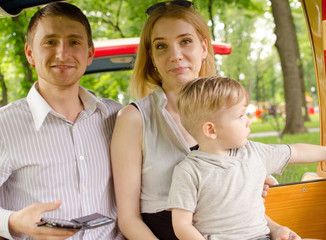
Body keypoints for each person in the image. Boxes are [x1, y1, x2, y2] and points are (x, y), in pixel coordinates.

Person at [110, 1, 300, 240]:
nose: (175, 55)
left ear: (203, 47)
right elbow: (128, 219)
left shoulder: (230, 114)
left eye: (185, 41)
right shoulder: (134, 118)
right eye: (161, 46)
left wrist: (274, 228)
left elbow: (237, 206)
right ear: (152, 57)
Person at [0, 2, 123, 240]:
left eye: (74, 42)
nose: (62, 54)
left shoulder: (116, 117)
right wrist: (12, 221)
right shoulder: (0, 126)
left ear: (89, 54)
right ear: (30, 53)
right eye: (50, 42)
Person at [167, 76, 326, 239]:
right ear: (211, 130)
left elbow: (297, 152)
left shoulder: (254, 152)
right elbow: (182, 226)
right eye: (240, 116)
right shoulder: (188, 171)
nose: (248, 121)